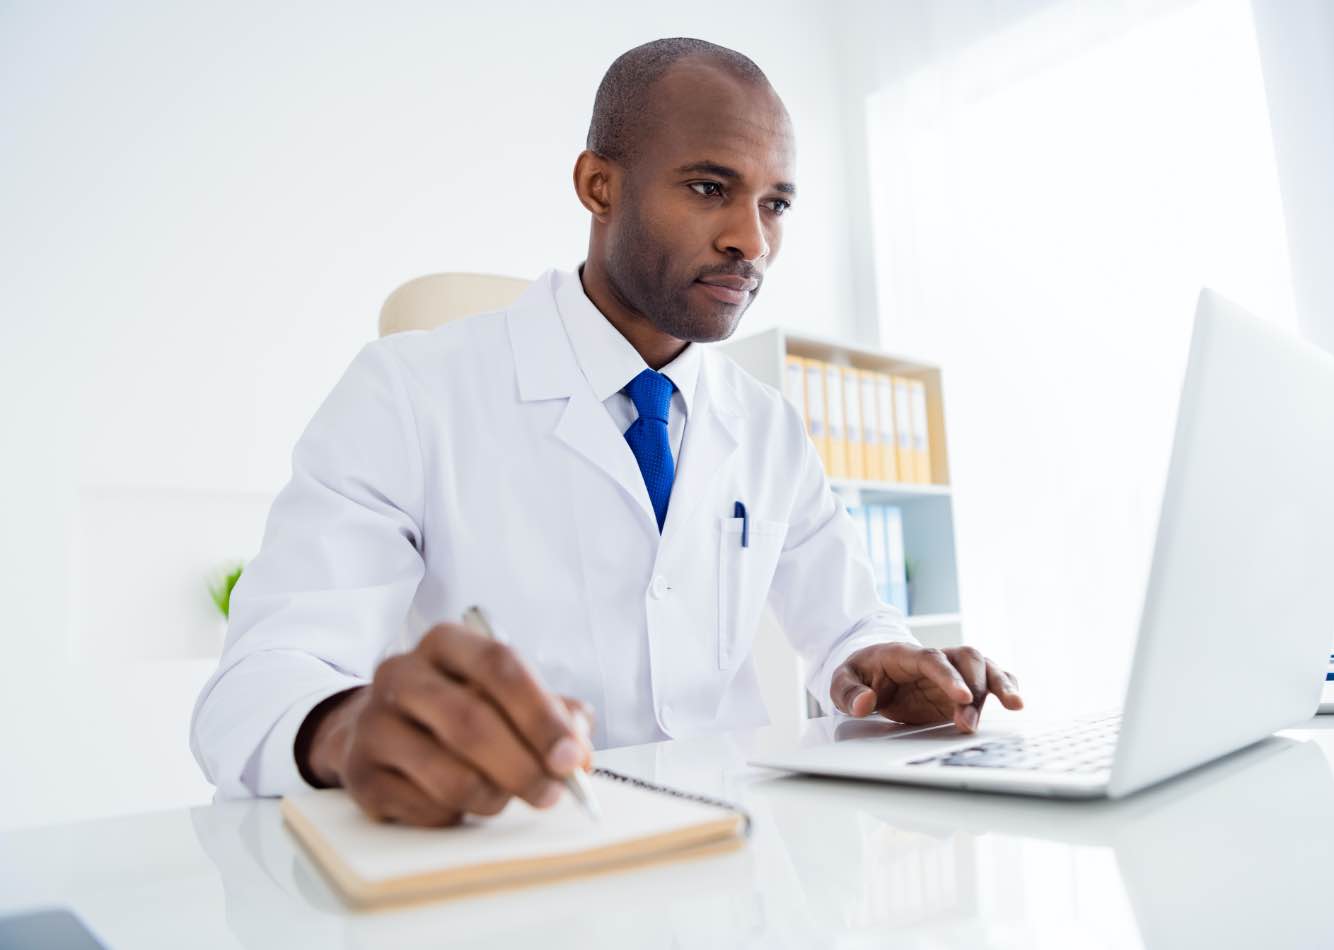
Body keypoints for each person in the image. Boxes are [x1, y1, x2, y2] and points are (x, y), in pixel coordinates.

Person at [190, 37, 1022, 827]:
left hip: (743, 855)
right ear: (598, 186)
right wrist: (343, 726)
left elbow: (849, 624)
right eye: (708, 188)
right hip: (522, 857)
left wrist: (881, 659)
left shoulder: (764, 424)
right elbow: (256, 689)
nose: (751, 240)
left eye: (776, 204)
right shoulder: (407, 393)